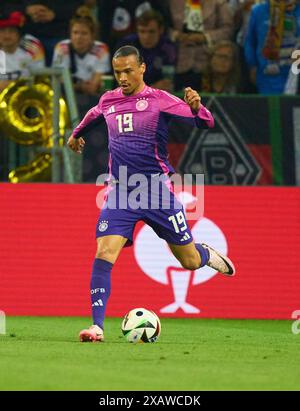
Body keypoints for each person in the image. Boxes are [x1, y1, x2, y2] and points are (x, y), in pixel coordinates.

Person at [67, 45, 235, 342]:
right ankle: (96, 327)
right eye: (118, 72)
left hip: (157, 191)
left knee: (189, 261)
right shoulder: (109, 100)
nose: (122, 77)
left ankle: (205, 252)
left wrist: (198, 108)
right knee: (104, 253)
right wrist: (76, 134)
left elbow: (206, 122)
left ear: (142, 68)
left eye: (128, 71)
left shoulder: (160, 100)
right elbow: (93, 115)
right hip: (120, 192)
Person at [168, 0, 233, 91]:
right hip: (178, 63)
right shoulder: (172, 2)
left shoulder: (219, 3)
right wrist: (177, 35)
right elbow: (163, 28)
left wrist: (205, 37)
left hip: (207, 64)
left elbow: (227, 30)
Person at [244, 0, 300, 94]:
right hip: (268, 74)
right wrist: (252, 64)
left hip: (296, 73)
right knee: (272, 107)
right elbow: (250, 41)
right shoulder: (258, 11)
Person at [52, 6, 110, 96]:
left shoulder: (101, 49)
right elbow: (60, 80)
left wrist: (85, 86)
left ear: (92, 35)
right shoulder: (62, 47)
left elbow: (94, 86)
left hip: (92, 95)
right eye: (75, 32)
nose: (79, 37)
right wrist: (79, 87)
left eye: (84, 33)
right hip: (66, 94)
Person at [117, 9, 176, 91]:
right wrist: (151, 87)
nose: (146, 37)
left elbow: (167, 81)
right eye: (142, 31)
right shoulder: (127, 45)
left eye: (151, 32)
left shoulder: (168, 48)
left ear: (161, 30)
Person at [0, 11, 45, 91]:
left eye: (11, 31)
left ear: (19, 34)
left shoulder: (32, 47)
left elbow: (41, 78)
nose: (7, 35)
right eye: (2, 31)